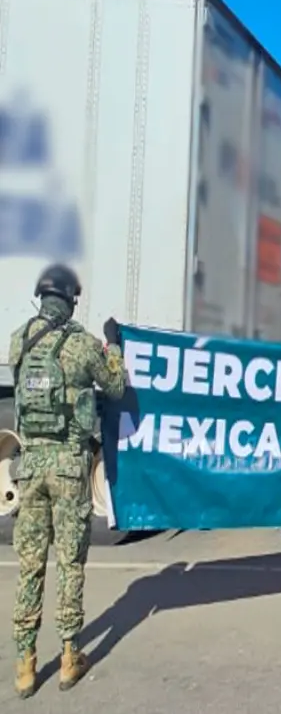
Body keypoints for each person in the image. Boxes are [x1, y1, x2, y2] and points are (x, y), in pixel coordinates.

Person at [10, 264, 126, 698]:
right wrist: (112, 344)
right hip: (69, 468)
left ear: (41, 296)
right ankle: (69, 655)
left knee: (30, 564)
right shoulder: (80, 345)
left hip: (31, 465)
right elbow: (115, 386)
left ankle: (24, 665)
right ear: (71, 299)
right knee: (70, 564)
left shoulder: (18, 340)